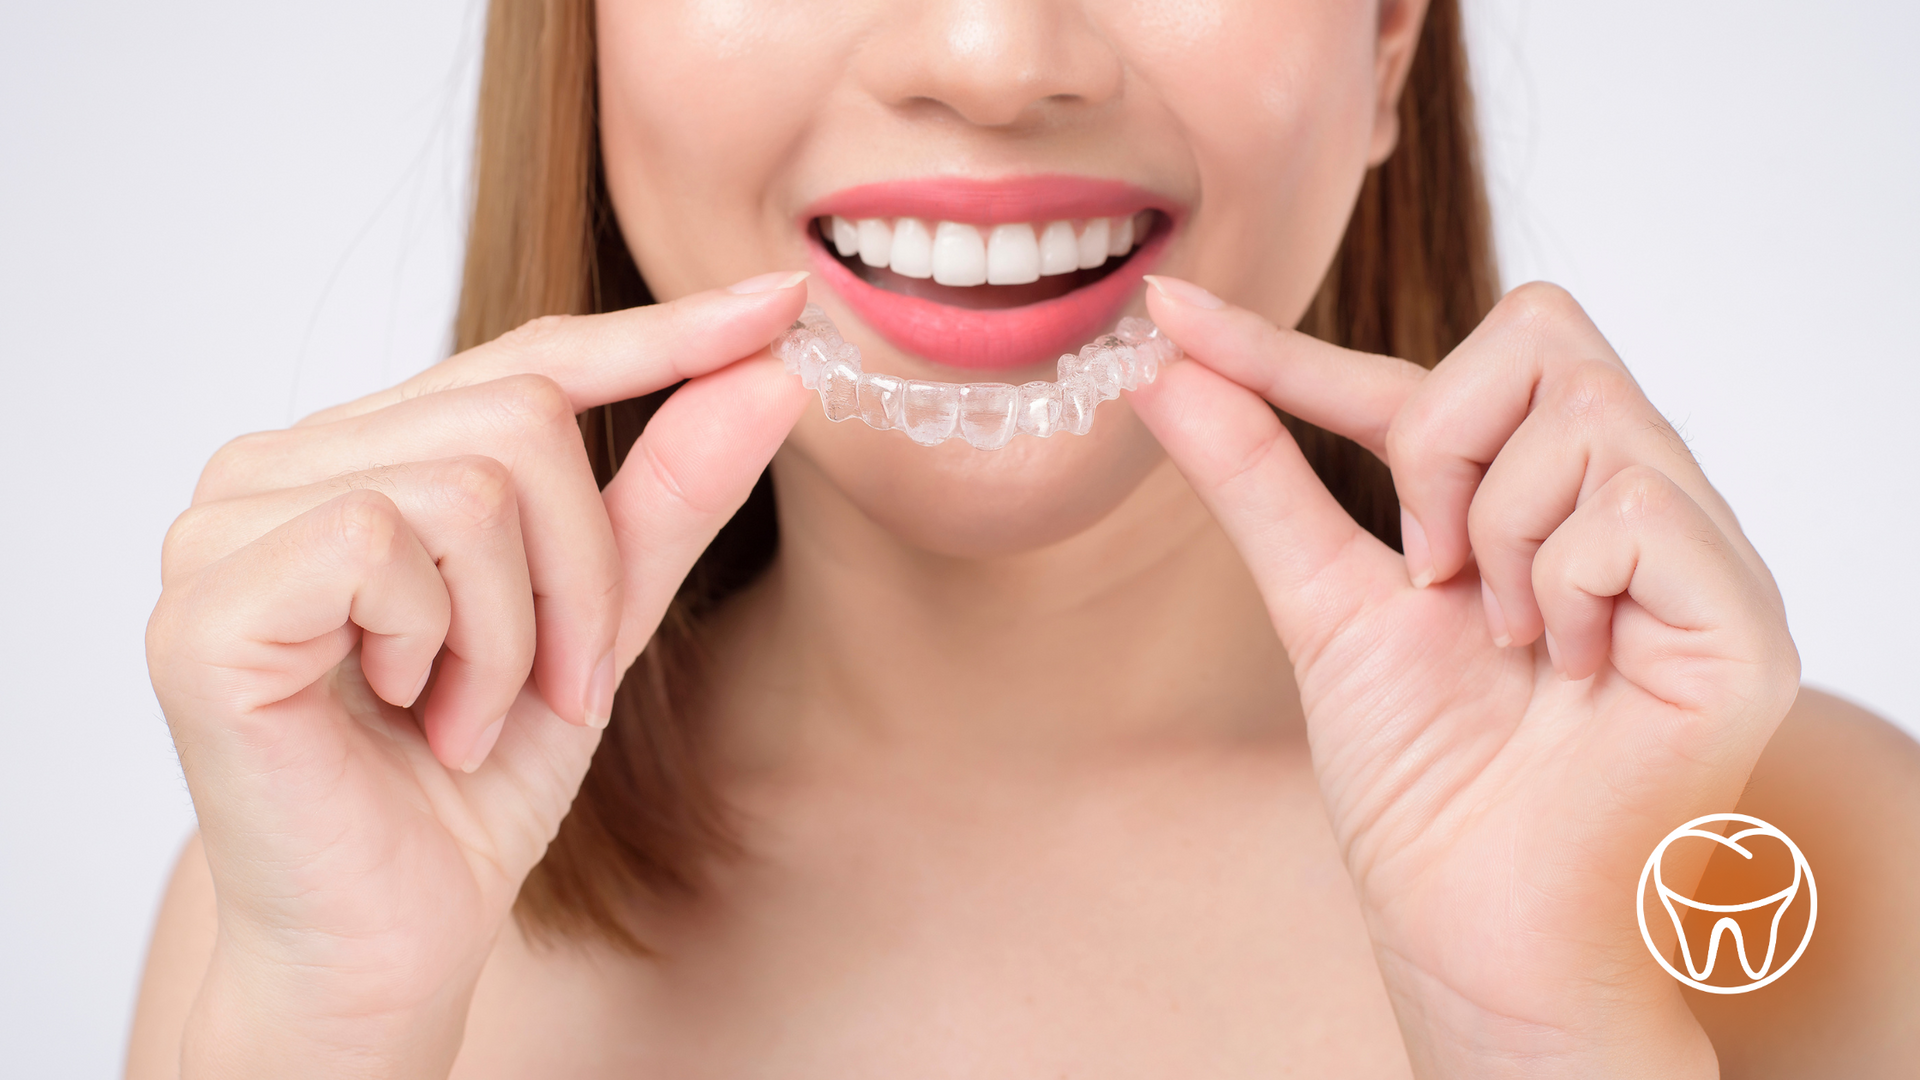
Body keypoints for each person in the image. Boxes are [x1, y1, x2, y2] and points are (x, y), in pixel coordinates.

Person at [125, 0, 1920, 1076]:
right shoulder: (304, 909)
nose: (991, 60)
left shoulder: (1802, 870)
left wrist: (1559, 1049)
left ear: (1388, 34)